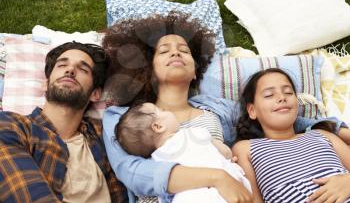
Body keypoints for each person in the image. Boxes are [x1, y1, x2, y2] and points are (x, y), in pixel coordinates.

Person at [101, 11, 346, 203]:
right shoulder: (123, 116)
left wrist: (332, 128)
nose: (176, 53)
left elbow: (271, 114)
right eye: (164, 51)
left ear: (195, 68)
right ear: (148, 68)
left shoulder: (219, 108)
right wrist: (217, 178)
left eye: (184, 50)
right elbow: (132, 172)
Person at [0, 42, 128, 203]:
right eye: (62, 65)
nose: (70, 70)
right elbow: (23, 192)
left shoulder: (103, 134)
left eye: (83, 69)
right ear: (45, 84)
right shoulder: (12, 125)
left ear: (95, 94)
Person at [233, 68, 350, 203]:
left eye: (288, 92)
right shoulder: (245, 148)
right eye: (269, 95)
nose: (282, 97)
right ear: (252, 110)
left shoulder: (323, 135)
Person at [116, 102, 252, 203]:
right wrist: (226, 157)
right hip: (224, 189)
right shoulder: (193, 133)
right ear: (158, 126)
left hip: (186, 197)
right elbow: (226, 152)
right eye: (161, 110)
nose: (167, 110)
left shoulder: (155, 162)